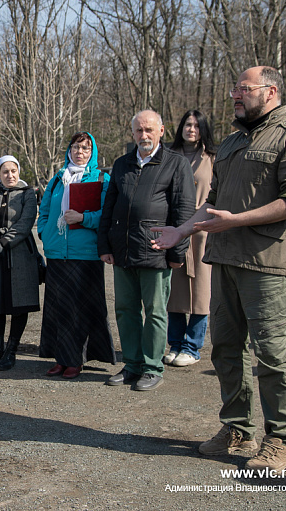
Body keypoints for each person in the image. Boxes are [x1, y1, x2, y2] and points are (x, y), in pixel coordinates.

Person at [151, 66, 286, 473]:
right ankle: (238, 429)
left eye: (244, 89)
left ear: (270, 91)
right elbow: (211, 201)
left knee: (270, 352)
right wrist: (181, 230)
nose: (235, 95)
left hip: (267, 263)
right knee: (226, 350)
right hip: (224, 259)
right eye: (234, 88)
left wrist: (237, 221)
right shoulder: (230, 143)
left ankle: (282, 440)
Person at [98, 110, 195, 392]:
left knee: (154, 312)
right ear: (133, 134)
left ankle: (152, 367)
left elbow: (184, 211)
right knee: (126, 310)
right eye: (139, 131)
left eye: (150, 130)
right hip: (123, 251)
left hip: (156, 250)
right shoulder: (121, 165)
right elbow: (109, 208)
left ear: (162, 131)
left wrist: (177, 253)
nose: (144, 136)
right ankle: (132, 364)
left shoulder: (176, 164)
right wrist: (104, 245)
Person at [37, 132, 116, 380]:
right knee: (59, 308)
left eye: (85, 148)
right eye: (75, 147)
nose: (79, 152)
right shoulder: (58, 179)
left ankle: (76, 360)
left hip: (86, 253)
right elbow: (45, 211)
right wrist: (45, 233)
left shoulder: (102, 179)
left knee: (80, 308)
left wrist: (83, 218)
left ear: (92, 152)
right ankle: (62, 358)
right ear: (69, 150)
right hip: (57, 253)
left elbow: (107, 214)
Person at [0, 155, 41, 371]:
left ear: (18, 172)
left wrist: (5, 241)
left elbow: (26, 221)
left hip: (19, 253)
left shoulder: (28, 194)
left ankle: (11, 350)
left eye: (13, 171)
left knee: (18, 302)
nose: (10, 175)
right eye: (5, 172)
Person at [163, 110, 217, 367]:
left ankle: (192, 346)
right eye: (187, 124)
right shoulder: (169, 155)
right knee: (174, 292)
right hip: (174, 229)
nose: (191, 129)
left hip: (203, 231)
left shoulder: (214, 158)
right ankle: (174, 343)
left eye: (196, 125)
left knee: (201, 292)